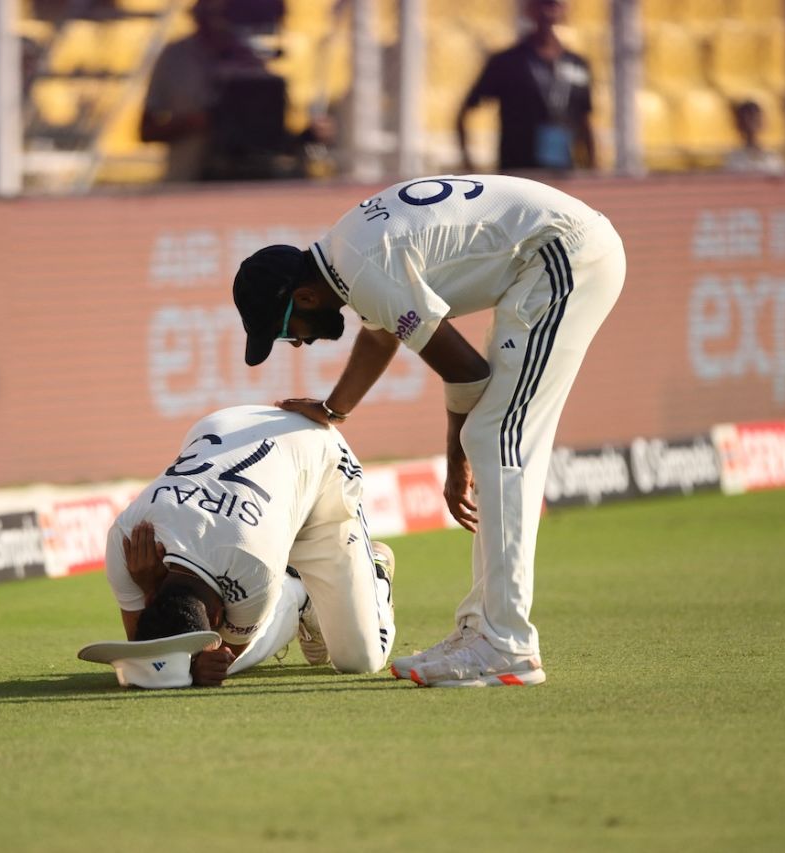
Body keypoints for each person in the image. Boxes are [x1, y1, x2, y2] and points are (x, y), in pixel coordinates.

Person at [231, 174, 626, 688]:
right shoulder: (347, 256)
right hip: (555, 253)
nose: (297, 345)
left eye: (286, 332)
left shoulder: (363, 269)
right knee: (493, 434)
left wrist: (455, 463)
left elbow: (466, 371)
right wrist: (334, 408)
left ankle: (505, 643)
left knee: (495, 436)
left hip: (564, 256)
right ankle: (481, 629)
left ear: (306, 298)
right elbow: (380, 337)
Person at [105, 404, 396, 687]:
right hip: (227, 426)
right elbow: (143, 648)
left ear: (218, 616)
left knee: (361, 661)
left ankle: (362, 576)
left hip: (320, 466)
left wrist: (198, 666)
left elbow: (223, 658)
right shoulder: (125, 542)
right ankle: (298, 595)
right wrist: (149, 593)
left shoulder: (255, 567)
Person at [140, 0, 326, 182]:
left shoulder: (257, 59)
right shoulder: (176, 57)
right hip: (187, 180)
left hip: (250, 182)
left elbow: (271, 137)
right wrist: (199, 122)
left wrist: (308, 135)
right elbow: (146, 131)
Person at [457, 0, 595, 174]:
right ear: (529, 8)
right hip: (518, 171)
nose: (548, 11)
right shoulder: (507, 62)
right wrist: (469, 162)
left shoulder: (577, 64)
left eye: (554, 4)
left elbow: (585, 119)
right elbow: (465, 112)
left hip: (563, 170)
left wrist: (592, 167)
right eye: (542, 3)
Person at [722, 100, 785, 175]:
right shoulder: (734, 159)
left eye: (754, 119)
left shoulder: (772, 158)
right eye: (747, 119)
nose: (750, 124)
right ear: (739, 124)